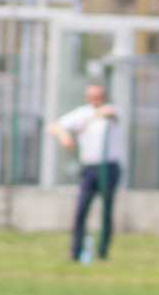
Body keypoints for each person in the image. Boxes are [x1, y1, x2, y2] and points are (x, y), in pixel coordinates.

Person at [48, 83, 125, 262]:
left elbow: (108, 112)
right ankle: (75, 252)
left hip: (109, 168)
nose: (96, 100)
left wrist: (86, 122)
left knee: (106, 211)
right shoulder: (81, 112)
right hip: (89, 169)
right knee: (81, 211)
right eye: (92, 96)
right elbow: (53, 126)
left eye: (99, 96)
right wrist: (64, 135)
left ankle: (102, 252)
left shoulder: (112, 110)